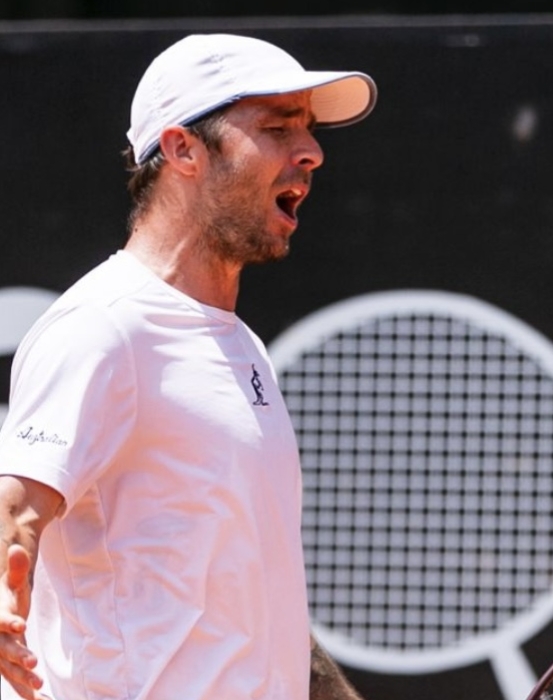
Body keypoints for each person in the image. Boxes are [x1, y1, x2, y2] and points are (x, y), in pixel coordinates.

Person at [0, 33, 378, 699]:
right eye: (277, 127)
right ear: (182, 151)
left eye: (309, 130)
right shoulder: (104, 327)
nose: (311, 153)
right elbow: (16, 504)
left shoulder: (240, 347)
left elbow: (247, 593)